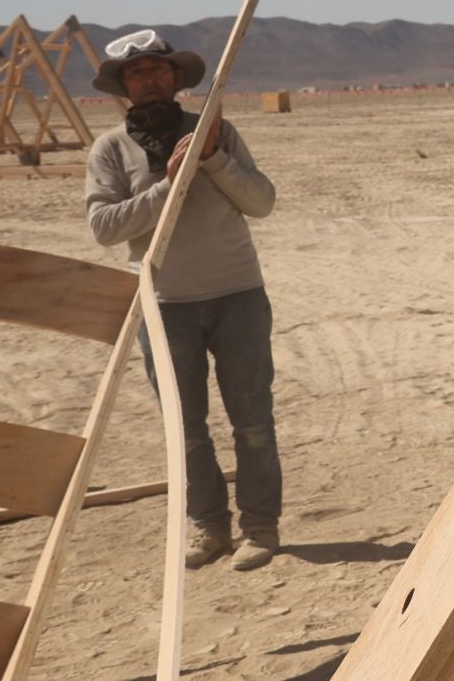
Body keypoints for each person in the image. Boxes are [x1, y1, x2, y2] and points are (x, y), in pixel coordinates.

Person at [85, 29, 284, 571]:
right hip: (165, 303)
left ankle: (260, 527)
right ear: (124, 86)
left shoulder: (214, 132)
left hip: (238, 293)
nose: (149, 78)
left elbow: (261, 202)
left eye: (157, 69)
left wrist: (213, 158)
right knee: (186, 427)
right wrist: (165, 186)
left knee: (253, 420)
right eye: (136, 72)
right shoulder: (110, 149)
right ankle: (208, 528)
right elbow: (103, 227)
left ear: (176, 78)